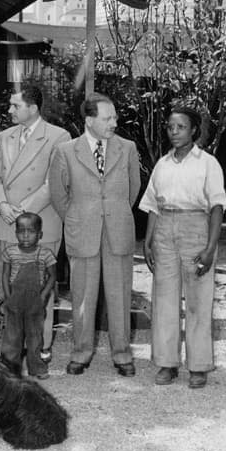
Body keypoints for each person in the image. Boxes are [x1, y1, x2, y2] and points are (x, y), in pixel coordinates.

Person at [49, 93, 141, 377]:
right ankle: (81, 353)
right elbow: (58, 195)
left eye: (114, 117)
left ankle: (122, 354)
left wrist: (113, 212)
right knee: (83, 297)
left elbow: (133, 190)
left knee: (120, 296)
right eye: (107, 118)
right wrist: (78, 218)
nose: (114, 122)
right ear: (89, 120)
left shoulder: (127, 148)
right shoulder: (65, 151)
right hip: (82, 231)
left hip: (118, 231)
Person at [139, 106, 226, 389]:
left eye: (180, 127)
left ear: (193, 130)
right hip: (164, 230)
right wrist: (148, 241)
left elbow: (216, 207)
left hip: (196, 229)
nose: (174, 132)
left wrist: (211, 247)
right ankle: (167, 363)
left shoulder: (207, 163)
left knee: (198, 301)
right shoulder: (162, 164)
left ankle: (198, 366)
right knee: (164, 299)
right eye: (169, 127)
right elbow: (152, 205)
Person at [0, 85, 70, 363]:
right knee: (11, 285)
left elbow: (54, 183)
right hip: (9, 221)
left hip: (40, 222)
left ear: (33, 108)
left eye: (15, 105)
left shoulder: (59, 137)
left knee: (40, 286)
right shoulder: (4, 136)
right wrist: (1, 205)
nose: (9, 110)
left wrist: (22, 211)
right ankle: (12, 346)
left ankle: (40, 346)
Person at [0, 212, 57, 380]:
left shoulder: (46, 254)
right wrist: (8, 296)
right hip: (14, 300)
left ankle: (37, 367)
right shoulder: (9, 253)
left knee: (35, 336)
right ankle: (10, 369)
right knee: (12, 336)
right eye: (21, 231)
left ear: (39, 234)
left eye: (31, 231)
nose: (25, 235)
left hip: (35, 302)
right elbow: (5, 275)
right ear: (15, 233)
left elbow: (52, 276)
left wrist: (43, 296)